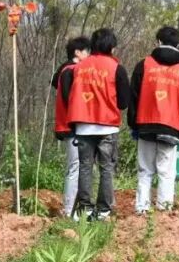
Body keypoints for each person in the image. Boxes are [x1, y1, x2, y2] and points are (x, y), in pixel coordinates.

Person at [128, 26, 179, 213]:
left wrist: (133, 124)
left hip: (145, 124)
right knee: (166, 172)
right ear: (178, 44)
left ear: (158, 42)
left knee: (145, 170)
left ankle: (141, 209)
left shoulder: (144, 65)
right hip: (172, 127)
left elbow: (133, 97)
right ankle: (164, 211)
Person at [65, 29, 130, 221]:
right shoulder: (116, 68)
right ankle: (103, 210)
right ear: (111, 46)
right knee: (106, 168)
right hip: (107, 125)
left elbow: (69, 95)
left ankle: (84, 208)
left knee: (85, 167)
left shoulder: (79, 67)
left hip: (83, 125)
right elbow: (123, 103)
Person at [51, 36, 90, 218]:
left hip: (69, 125)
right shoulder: (70, 72)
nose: (88, 55)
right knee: (75, 167)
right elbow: (71, 100)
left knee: (77, 167)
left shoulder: (64, 70)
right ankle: (69, 210)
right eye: (87, 51)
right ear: (77, 52)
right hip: (73, 126)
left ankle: (74, 208)